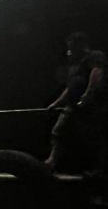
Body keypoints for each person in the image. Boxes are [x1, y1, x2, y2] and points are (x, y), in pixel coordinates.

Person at [46, 33, 107, 173]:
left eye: (72, 47)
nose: (70, 51)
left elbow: (96, 73)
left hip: (91, 106)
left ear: (81, 45)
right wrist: (56, 103)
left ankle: (99, 169)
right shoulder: (76, 65)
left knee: (93, 137)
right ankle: (52, 161)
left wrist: (88, 95)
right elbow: (70, 87)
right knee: (59, 131)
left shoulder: (94, 56)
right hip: (72, 105)